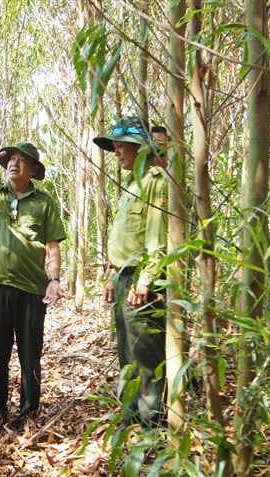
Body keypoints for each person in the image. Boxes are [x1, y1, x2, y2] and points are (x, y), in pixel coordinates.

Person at [0, 143, 66, 428]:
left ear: (34, 169)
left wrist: (54, 280)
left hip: (31, 290)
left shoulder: (44, 202)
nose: (14, 163)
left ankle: (29, 411)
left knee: (29, 352)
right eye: (11, 159)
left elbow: (52, 247)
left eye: (23, 160)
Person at [95, 117, 168, 425]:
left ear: (140, 147)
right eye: (114, 146)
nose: (116, 151)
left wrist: (145, 282)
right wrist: (114, 277)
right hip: (125, 277)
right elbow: (126, 239)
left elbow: (157, 238)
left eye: (121, 145)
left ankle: (150, 424)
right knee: (127, 354)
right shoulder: (132, 185)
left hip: (143, 283)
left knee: (147, 358)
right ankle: (130, 418)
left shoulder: (156, 181)